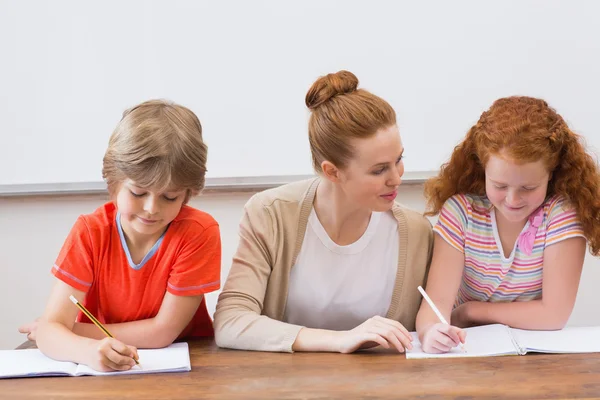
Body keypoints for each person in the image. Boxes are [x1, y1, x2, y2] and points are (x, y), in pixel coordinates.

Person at [214, 70, 433, 353]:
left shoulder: (416, 232)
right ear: (332, 171)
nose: (396, 178)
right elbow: (231, 321)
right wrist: (340, 340)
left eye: (399, 160)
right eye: (379, 170)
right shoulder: (271, 214)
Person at [19, 100, 221, 371]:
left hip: (192, 366)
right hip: (110, 367)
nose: (151, 209)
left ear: (187, 194)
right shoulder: (90, 232)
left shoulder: (198, 232)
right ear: (114, 183)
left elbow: (163, 333)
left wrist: (72, 331)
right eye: (138, 193)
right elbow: (51, 328)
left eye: (169, 197)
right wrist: (87, 350)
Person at [416, 96, 600, 353]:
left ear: (552, 174)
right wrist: (430, 332)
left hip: (531, 352)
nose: (513, 200)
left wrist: (470, 311)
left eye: (528, 187)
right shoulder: (461, 213)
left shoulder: (561, 215)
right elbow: (436, 304)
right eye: (500, 186)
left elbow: (554, 315)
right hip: (467, 349)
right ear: (483, 171)